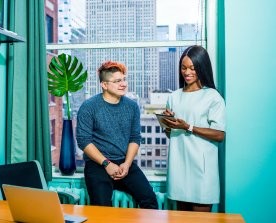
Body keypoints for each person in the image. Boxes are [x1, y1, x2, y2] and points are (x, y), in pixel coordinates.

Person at [76, 61, 158, 209]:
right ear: (104, 85)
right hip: (98, 164)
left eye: (124, 79)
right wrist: (107, 163)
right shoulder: (89, 107)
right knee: (101, 210)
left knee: (150, 200)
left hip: (124, 163)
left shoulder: (132, 106)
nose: (123, 84)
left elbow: (135, 138)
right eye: (117, 81)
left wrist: (127, 164)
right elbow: (83, 141)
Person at [161, 45, 226, 212]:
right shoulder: (174, 97)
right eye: (184, 67)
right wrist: (167, 124)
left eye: (193, 67)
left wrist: (188, 126)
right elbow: (171, 134)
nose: (187, 72)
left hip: (201, 169)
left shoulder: (212, 96)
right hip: (179, 165)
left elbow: (219, 135)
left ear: (202, 68)